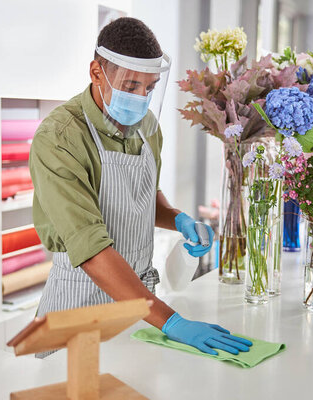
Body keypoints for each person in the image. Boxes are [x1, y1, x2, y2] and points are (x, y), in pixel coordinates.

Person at [29, 17, 252, 358]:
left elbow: (143, 197)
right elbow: (91, 249)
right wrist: (174, 322)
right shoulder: (60, 138)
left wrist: (178, 219)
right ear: (96, 73)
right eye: (131, 86)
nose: (141, 98)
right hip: (79, 306)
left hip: (139, 308)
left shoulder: (146, 125)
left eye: (149, 88)